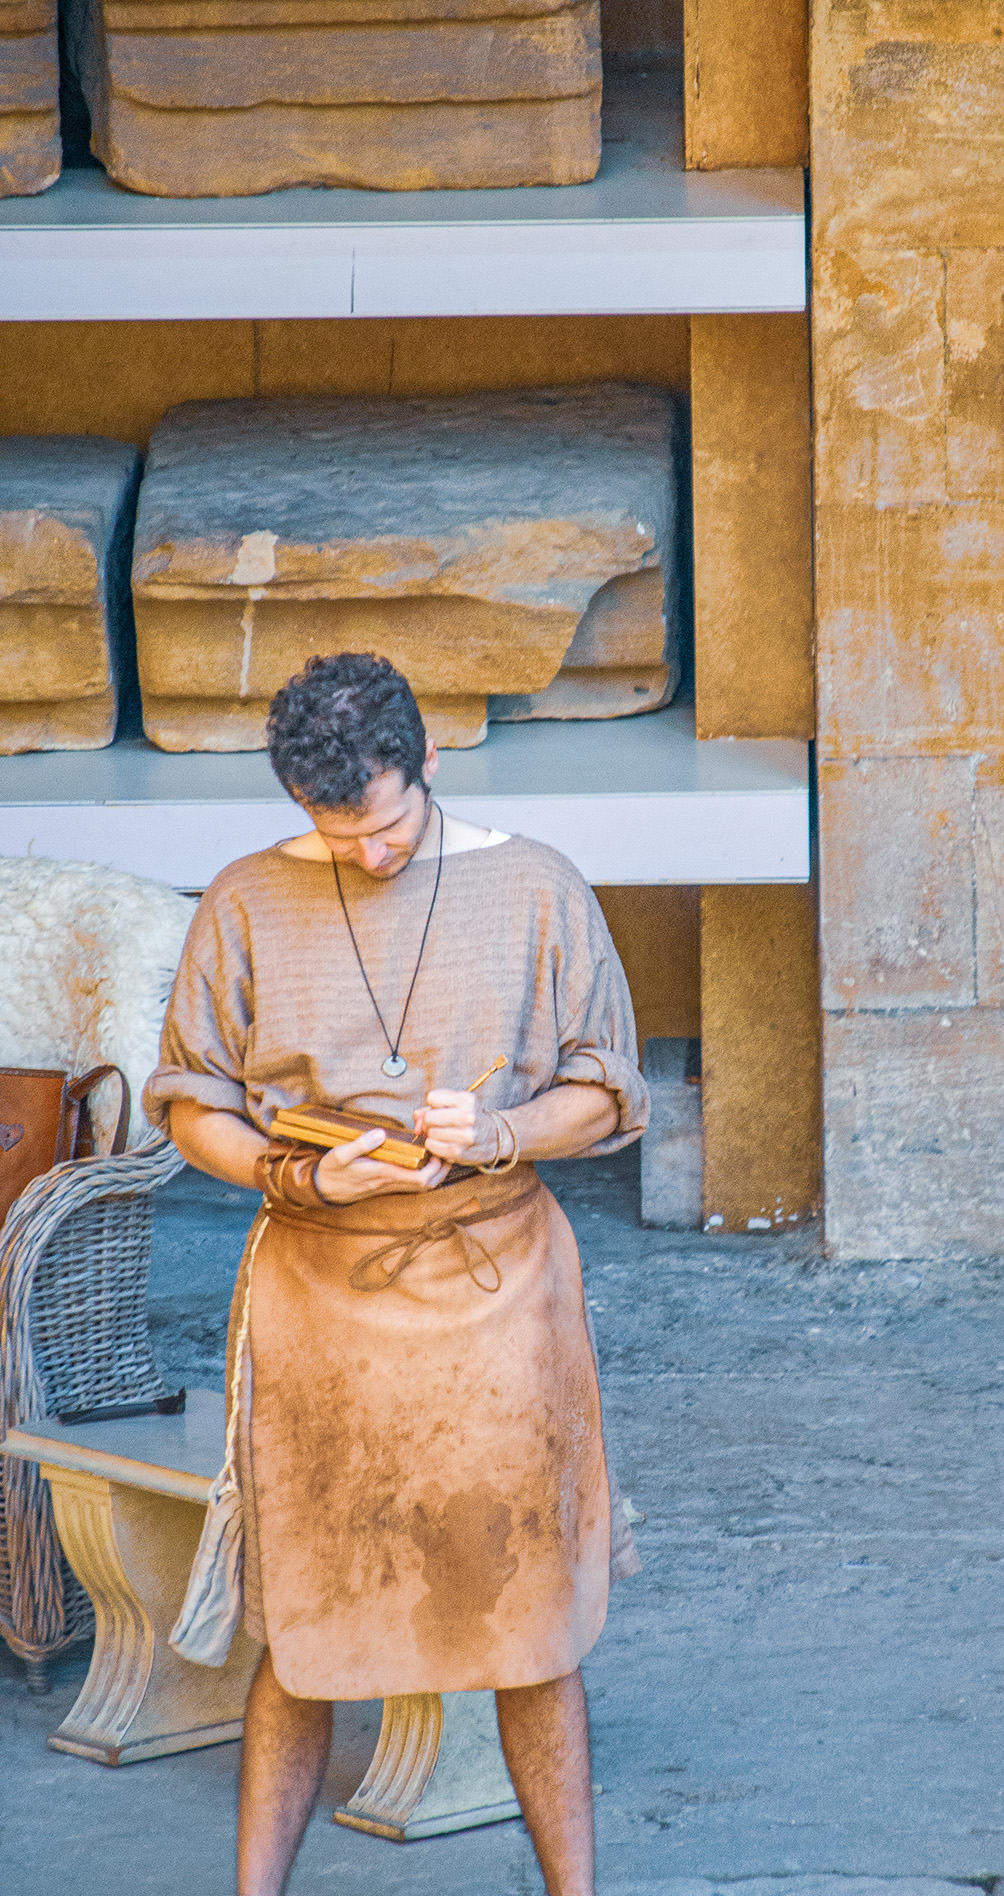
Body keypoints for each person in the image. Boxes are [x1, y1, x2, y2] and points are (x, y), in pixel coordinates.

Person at [144, 652, 648, 1896]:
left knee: (529, 1624)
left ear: (426, 765)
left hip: (497, 1286)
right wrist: (297, 1176)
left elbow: (609, 1092)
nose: (364, 854)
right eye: (331, 831)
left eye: (384, 826)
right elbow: (188, 1101)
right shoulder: (247, 899)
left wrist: (506, 1134)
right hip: (317, 1295)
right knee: (306, 1628)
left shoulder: (534, 887)